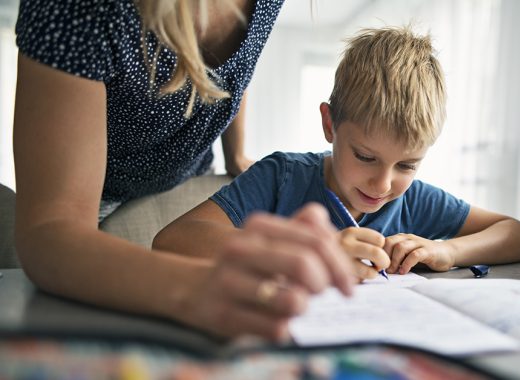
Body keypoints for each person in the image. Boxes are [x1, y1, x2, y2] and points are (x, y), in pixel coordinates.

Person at [13, 0, 355, 341]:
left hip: (185, 173)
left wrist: (236, 153)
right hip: (97, 191)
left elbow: (235, 69)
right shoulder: (78, 8)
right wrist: (196, 290)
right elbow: (52, 231)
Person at [153, 26, 520, 283]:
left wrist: (448, 250)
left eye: (406, 164)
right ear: (330, 125)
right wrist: (301, 253)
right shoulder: (282, 177)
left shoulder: (414, 199)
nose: (384, 184)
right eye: (366, 157)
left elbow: (519, 235)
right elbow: (174, 240)